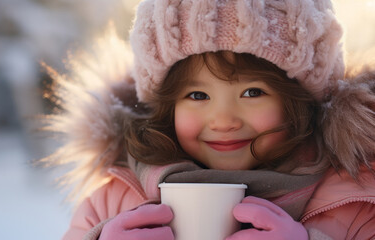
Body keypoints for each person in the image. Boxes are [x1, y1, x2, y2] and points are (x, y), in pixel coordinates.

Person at [45, 0, 375, 239]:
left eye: (252, 92)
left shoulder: (356, 197)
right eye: (198, 96)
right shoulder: (115, 198)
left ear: (299, 101)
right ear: (167, 107)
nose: (223, 120)